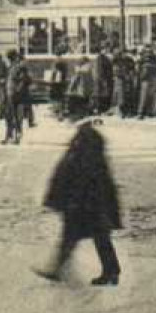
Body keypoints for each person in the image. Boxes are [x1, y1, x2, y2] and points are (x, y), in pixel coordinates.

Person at [36, 120, 122, 287]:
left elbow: (80, 174)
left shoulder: (86, 141)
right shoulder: (86, 140)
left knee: (77, 235)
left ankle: (58, 269)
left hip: (85, 201)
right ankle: (111, 270)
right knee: (96, 236)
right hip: (88, 201)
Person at [6, 50, 33, 144]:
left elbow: (24, 80)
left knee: (16, 116)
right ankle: (11, 136)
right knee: (11, 116)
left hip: (16, 95)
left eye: (10, 58)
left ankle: (17, 136)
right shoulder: (12, 67)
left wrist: (18, 90)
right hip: (11, 94)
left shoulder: (19, 67)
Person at [94, 46, 114, 115]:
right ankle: (100, 109)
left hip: (102, 79)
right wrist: (103, 80)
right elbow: (100, 70)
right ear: (101, 50)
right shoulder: (101, 59)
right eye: (105, 49)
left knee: (102, 94)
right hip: (102, 79)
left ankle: (100, 109)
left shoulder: (103, 58)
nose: (106, 50)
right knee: (102, 95)